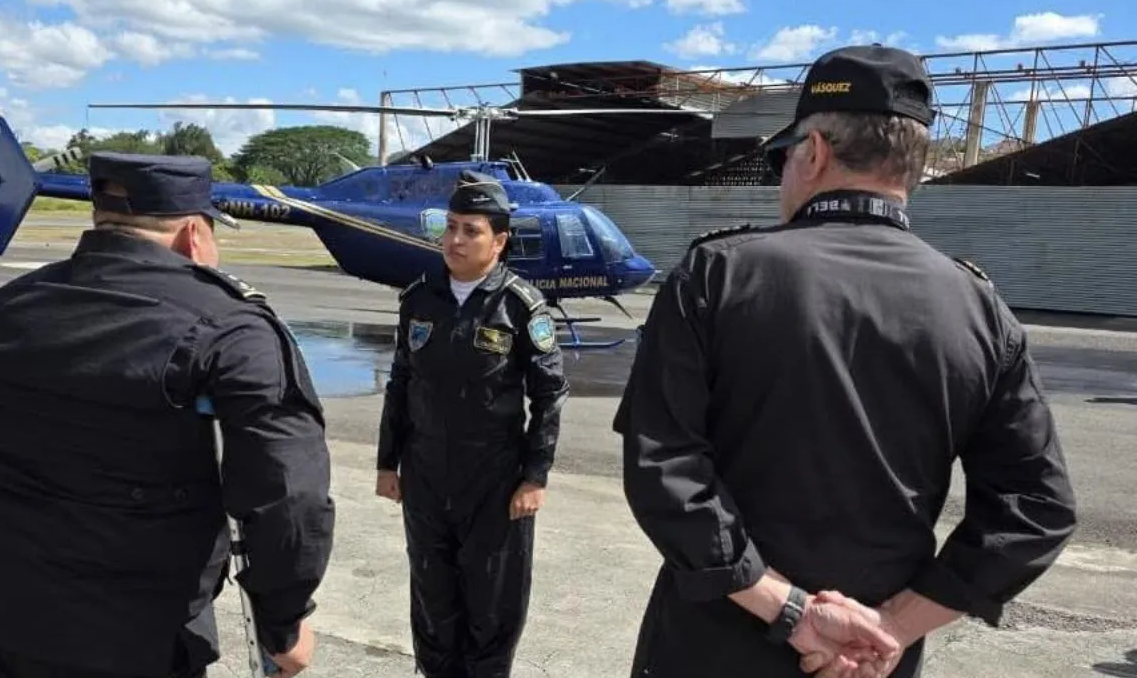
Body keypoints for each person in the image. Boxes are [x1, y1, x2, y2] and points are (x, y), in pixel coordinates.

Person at [613, 44, 1078, 678]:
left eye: (787, 157)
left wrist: (790, 611)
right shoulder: (980, 308)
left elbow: (663, 463)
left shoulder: (717, 275)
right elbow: (1036, 508)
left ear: (815, 152)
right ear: (910, 167)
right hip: (872, 660)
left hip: (711, 646)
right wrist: (894, 625)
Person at [0, 152, 337, 678]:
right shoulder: (232, 328)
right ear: (192, 236)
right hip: (121, 625)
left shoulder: (15, 303)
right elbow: (288, 491)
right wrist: (285, 618)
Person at [374, 169, 570, 678]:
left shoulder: (522, 307)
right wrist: (386, 462)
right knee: (433, 600)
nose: (454, 240)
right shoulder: (420, 298)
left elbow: (549, 395)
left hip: (495, 481)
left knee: (492, 605)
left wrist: (535, 477)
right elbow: (400, 383)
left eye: (470, 230)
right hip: (426, 475)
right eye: (451, 226)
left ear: (499, 241)